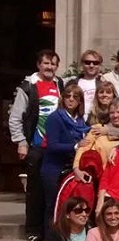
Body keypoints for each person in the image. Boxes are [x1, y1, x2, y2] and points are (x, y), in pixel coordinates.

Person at [9, 49, 64, 241]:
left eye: (53, 64)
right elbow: (16, 118)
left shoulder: (61, 85)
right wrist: (21, 143)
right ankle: (33, 229)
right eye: (46, 63)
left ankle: (51, 228)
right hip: (36, 145)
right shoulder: (28, 87)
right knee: (35, 190)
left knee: (54, 189)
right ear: (39, 65)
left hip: (56, 147)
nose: (49, 67)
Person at [41, 85, 89, 231]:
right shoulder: (55, 118)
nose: (71, 99)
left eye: (75, 97)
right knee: (53, 206)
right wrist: (75, 146)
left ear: (80, 101)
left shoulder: (80, 121)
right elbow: (52, 145)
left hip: (70, 169)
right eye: (67, 96)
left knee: (68, 207)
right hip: (54, 169)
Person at [72, 98, 119, 181]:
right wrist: (76, 169)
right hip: (95, 178)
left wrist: (109, 131)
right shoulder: (98, 128)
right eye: (112, 112)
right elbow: (83, 148)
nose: (115, 115)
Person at [65, 49, 103, 117]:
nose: (91, 65)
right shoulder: (72, 83)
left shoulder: (103, 84)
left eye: (95, 63)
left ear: (100, 65)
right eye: (87, 62)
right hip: (75, 121)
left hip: (96, 122)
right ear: (82, 64)